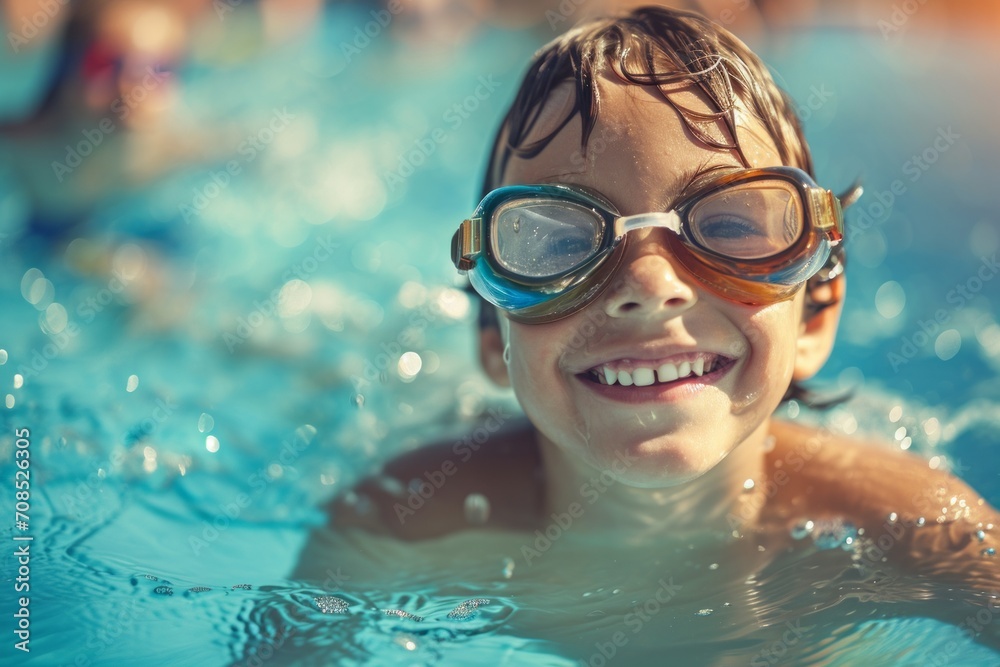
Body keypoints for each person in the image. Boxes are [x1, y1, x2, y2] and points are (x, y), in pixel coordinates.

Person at [303, 5, 1000, 661]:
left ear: (815, 316)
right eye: (556, 244)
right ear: (493, 337)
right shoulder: (407, 516)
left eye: (730, 225)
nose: (648, 285)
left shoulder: (902, 521)